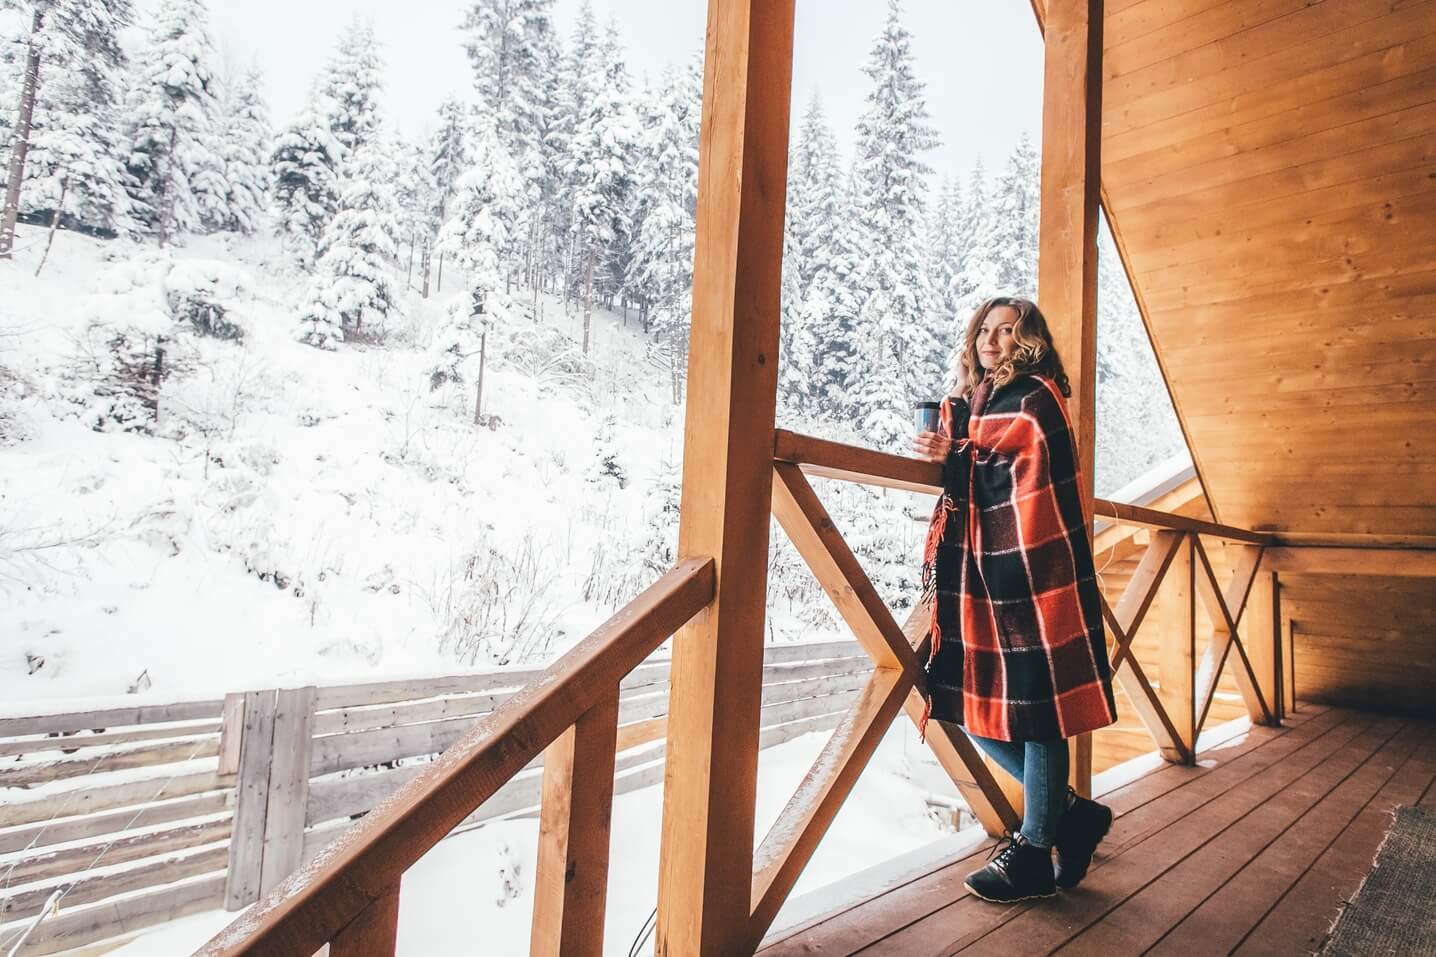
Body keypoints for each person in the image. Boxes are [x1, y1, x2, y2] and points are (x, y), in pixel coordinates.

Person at [912, 295, 1118, 903]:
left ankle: (1033, 850)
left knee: (1037, 710)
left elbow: (1025, 473)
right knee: (969, 706)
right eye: (985, 330)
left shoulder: (1037, 397)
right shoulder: (977, 406)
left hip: (1036, 573)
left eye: (1007, 331)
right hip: (983, 580)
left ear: (1028, 340)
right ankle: (1072, 816)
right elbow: (975, 457)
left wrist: (956, 458)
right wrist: (949, 452)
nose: (992, 340)